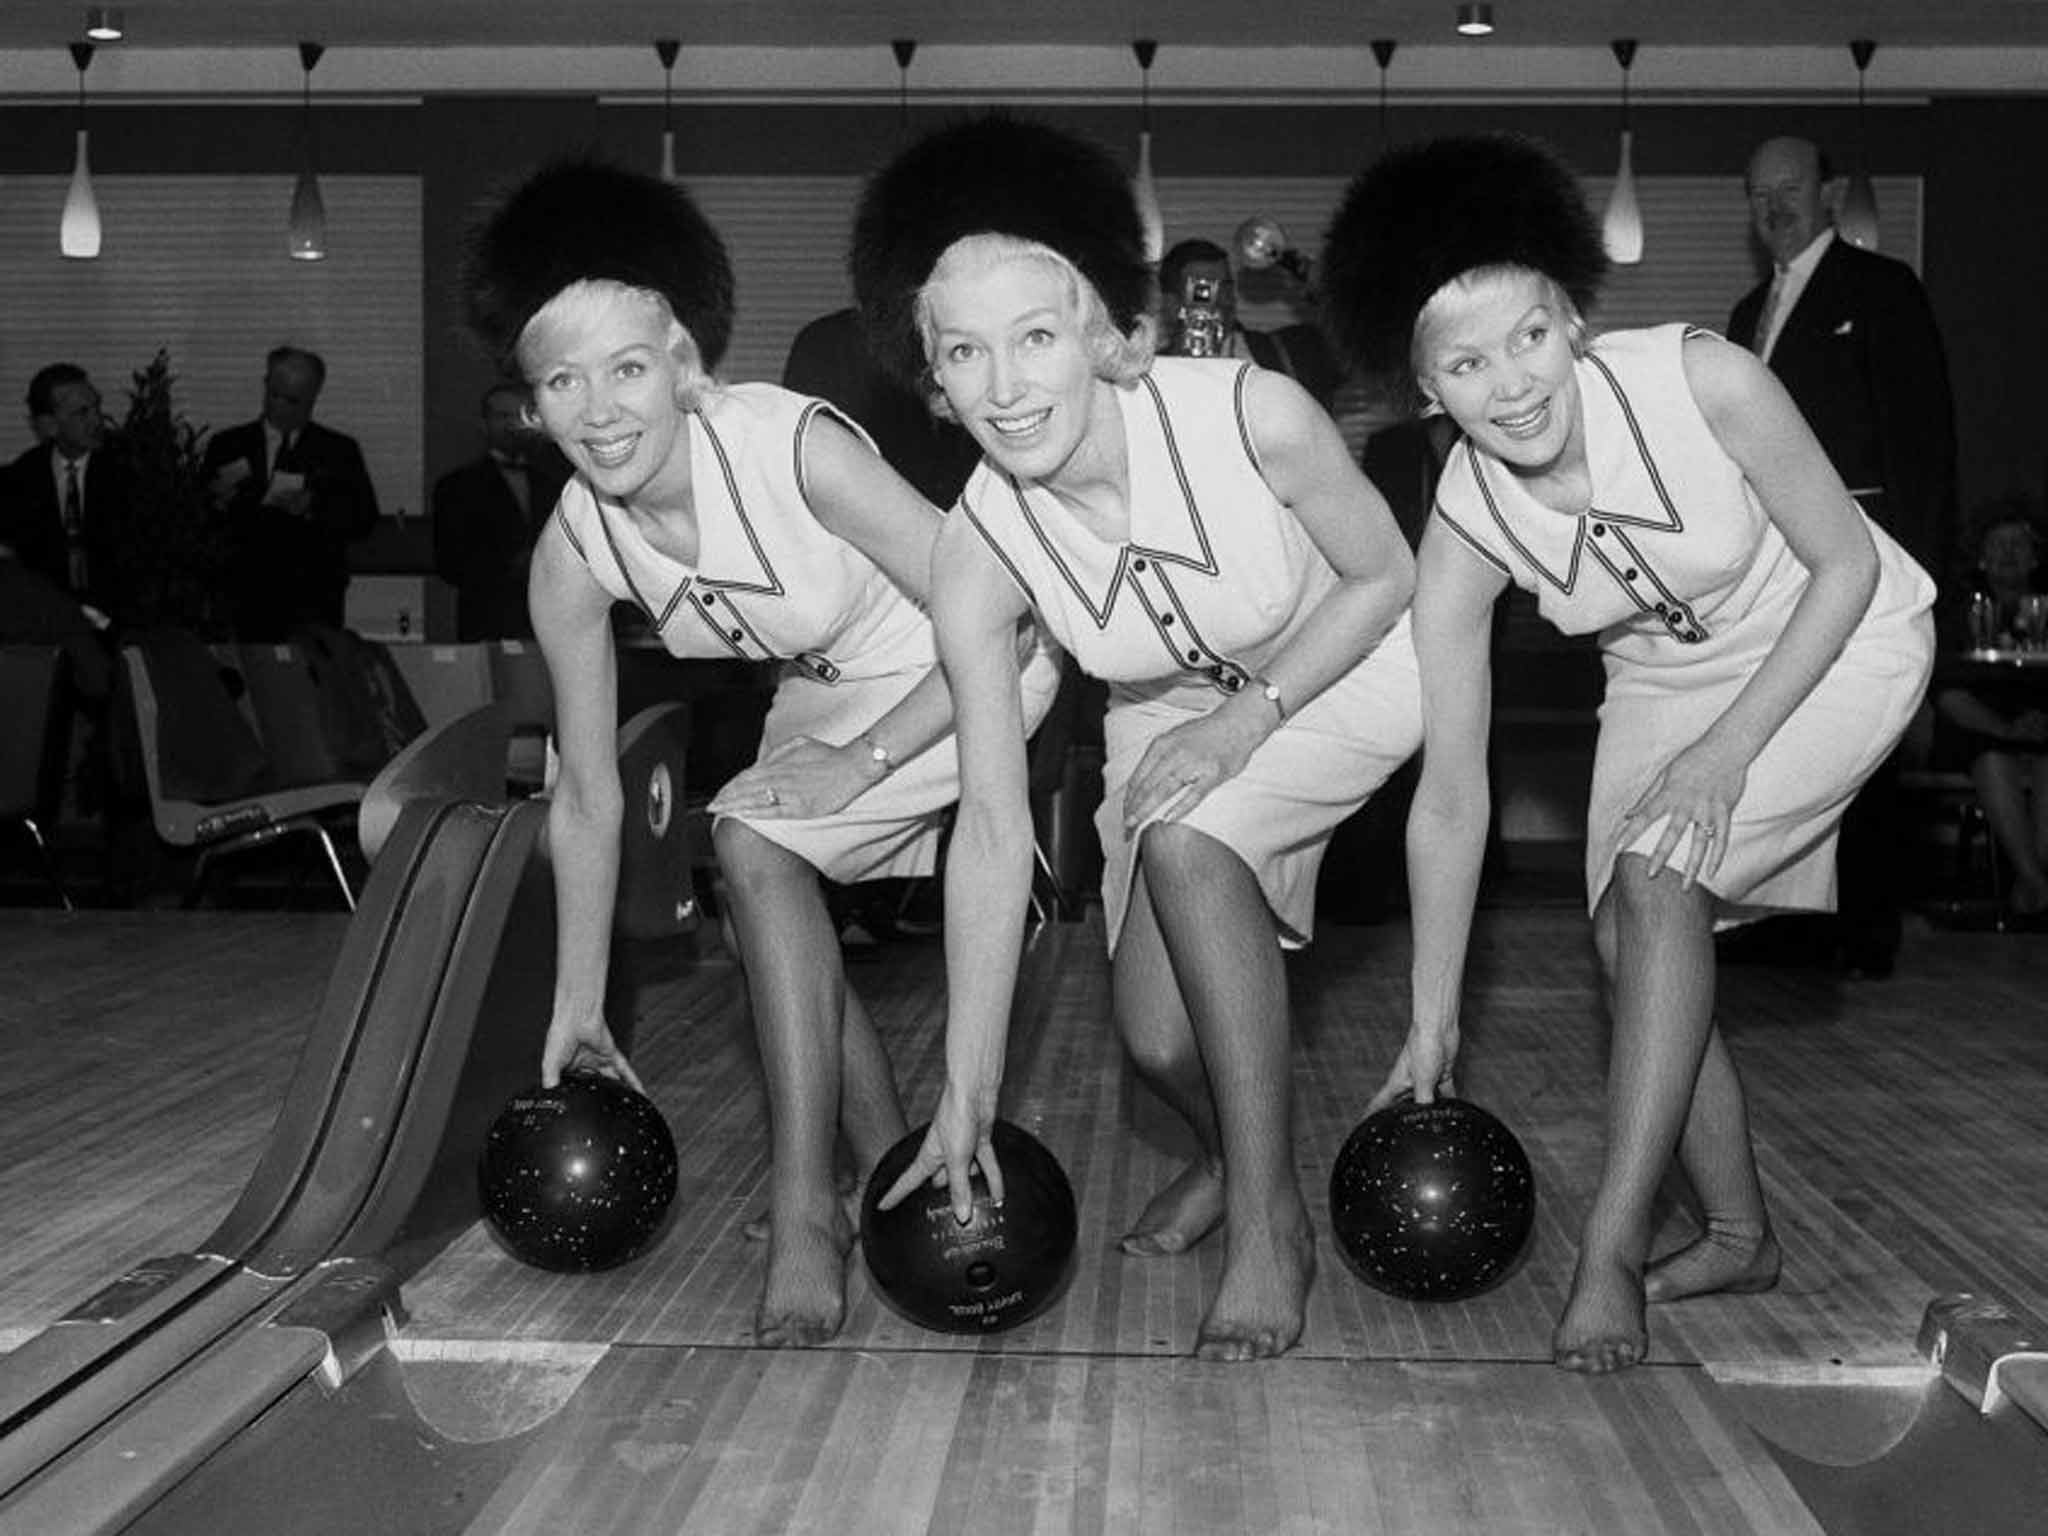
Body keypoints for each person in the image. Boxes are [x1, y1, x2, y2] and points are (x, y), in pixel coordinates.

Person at [1321, 134, 1936, 1373]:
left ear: (1571, 320)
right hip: (1660, 676)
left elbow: (1846, 562)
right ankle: (1736, 1232)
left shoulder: (1704, 380)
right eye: (1465, 362)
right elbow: (1447, 797)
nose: (1511, 384)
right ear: (1426, 391)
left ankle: (1608, 1253)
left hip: (1833, 633)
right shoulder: (1461, 527)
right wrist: (1431, 1022)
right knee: (1626, 936)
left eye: (1529, 337)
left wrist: (1725, 754)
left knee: (1657, 881)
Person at [458, 158, 1059, 1347]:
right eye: (561, 382)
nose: (600, 409)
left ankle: (803, 1211)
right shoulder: (574, 555)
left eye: (627, 369)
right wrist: (580, 1001)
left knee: (748, 837)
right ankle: (885, 1160)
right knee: (753, 868)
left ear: (685, 367)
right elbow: (583, 793)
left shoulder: (791, 449)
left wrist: (867, 762)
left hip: (969, 667)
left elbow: (1006, 610)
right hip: (824, 687)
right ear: (531, 407)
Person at [855, 116, 1423, 1362]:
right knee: (1158, 1037)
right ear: (934, 383)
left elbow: (1383, 575)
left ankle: (1269, 1228)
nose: (1004, 388)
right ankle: (1234, 1156)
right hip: (1164, 714)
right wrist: (966, 1088)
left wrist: (1248, 716)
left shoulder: (1250, 413)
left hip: (1341, 664)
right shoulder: (973, 552)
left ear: (1103, 339)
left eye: (1035, 339)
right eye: (964, 355)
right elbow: (994, 826)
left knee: (1183, 839)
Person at [1728, 135, 1959, 978]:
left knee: (1866, 741)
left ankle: (1863, 930)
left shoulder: (1883, 290)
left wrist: (1925, 581)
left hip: (1866, 560)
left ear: (1828, 193)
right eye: (1757, 193)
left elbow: (1922, 445)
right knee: (1786, 738)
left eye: (1789, 187)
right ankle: (1783, 920)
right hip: (1771, 571)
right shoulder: (1746, 311)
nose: (1774, 205)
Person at [202, 345, 380, 639]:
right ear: (265, 384)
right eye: (273, 394)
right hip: (242, 594)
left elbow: (364, 518)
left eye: (292, 400)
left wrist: (313, 506)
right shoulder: (228, 445)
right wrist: (216, 502)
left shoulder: (338, 451)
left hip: (311, 596)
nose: (279, 407)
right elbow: (197, 520)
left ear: (313, 397)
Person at [1933, 496, 2048, 919]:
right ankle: (2033, 880)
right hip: (1975, 734)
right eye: (1998, 545)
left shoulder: (2043, 610)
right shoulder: (1958, 613)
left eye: (2018, 545)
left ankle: (2033, 880)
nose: (2007, 554)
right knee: (1993, 757)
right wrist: (2004, 730)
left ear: (2035, 556)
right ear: (1981, 556)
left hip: (2039, 736)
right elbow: (1947, 693)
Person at [431, 381, 571, 640]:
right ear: (484, 424)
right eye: (503, 416)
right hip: (487, 618)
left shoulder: (555, 485)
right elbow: (449, 562)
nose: (512, 425)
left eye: (521, 417)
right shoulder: (457, 487)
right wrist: (509, 565)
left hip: (550, 623)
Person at [0, 364, 133, 627]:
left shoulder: (128, 468)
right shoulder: (20, 479)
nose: (97, 420)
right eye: (82, 413)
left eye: (96, 407)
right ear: (48, 426)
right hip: (46, 621)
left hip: (119, 620)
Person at [1156, 238, 1344, 411]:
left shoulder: (1287, 354)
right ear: (1172, 305)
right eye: (1204, 292)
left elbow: (1360, 340)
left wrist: (1319, 283)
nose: (1224, 300)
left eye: (1227, 287)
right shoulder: (1147, 378)